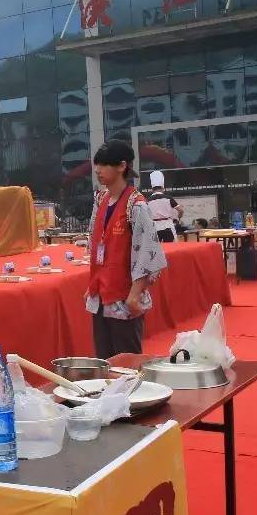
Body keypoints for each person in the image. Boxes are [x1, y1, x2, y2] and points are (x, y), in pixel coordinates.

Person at [85, 140, 167, 359]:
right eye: (96, 164)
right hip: (101, 296)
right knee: (104, 363)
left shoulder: (136, 204)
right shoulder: (100, 199)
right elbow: (96, 243)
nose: (97, 170)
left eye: (103, 164)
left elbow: (148, 253)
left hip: (123, 299)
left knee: (127, 365)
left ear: (122, 166)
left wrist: (134, 295)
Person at [145, 170, 183, 242]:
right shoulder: (168, 198)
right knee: (171, 247)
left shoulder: (147, 201)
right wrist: (179, 216)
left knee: (156, 249)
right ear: (163, 187)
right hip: (167, 225)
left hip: (154, 226)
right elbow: (181, 210)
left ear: (152, 189)